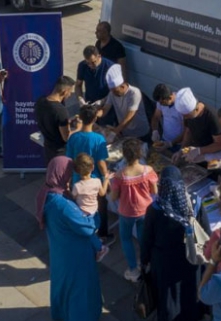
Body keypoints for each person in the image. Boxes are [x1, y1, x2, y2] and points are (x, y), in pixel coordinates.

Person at [35, 156, 108, 321]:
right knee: (80, 292)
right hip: (76, 254)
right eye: (68, 174)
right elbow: (86, 228)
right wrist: (94, 219)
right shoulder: (63, 205)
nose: (69, 178)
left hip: (60, 250)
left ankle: (61, 314)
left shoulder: (47, 192)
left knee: (62, 284)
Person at [140, 166, 210, 321]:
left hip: (165, 260)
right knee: (191, 289)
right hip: (191, 258)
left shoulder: (156, 209)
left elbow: (147, 238)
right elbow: (205, 230)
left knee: (168, 293)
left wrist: (144, 260)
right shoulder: (195, 202)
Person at [66, 105, 116, 246]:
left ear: (80, 118)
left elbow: (69, 160)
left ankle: (83, 230)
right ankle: (103, 235)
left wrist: (69, 179)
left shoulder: (73, 138)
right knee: (101, 207)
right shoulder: (98, 139)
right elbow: (101, 163)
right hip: (96, 181)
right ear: (95, 119)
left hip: (77, 180)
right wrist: (106, 177)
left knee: (80, 207)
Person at [110, 138, 158, 282]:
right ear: (140, 154)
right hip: (145, 210)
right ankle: (145, 263)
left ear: (124, 155)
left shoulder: (119, 175)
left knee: (126, 239)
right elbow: (154, 190)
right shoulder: (148, 171)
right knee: (143, 237)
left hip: (126, 212)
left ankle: (133, 269)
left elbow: (113, 197)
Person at [96, 64, 150, 141]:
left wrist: (115, 132)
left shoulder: (134, 93)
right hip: (126, 131)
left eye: (115, 91)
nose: (113, 93)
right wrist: (96, 113)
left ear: (123, 86)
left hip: (140, 132)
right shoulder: (112, 93)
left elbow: (130, 116)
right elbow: (105, 109)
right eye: (112, 91)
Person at [172, 87, 221, 164]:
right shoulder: (188, 115)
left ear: (196, 109)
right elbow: (188, 132)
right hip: (195, 155)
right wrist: (182, 150)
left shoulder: (212, 117)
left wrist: (199, 151)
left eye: (186, 116)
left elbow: (219, 144)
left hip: (211, 159)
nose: (185, 118)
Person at [35, 76, 79, 164]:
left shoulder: (40, 101)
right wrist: (79, 128)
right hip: (60, 153)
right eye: (70, 92)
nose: (70, 95)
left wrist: (67, 121)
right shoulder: (60, 110)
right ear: (64, 91)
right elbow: (66, 137)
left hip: (48, 148)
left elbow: (51, 121)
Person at [71, 153, 112, 233]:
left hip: (82, 215)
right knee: (95, 230)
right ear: (92, 167)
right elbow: (102, 193)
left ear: (77, 170)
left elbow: (73, 198)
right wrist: (106, 180)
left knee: (87, 232)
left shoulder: (77, 186)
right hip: (94, 213)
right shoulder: (97, 181)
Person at [150, 84, 183, 151]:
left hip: (178, 143)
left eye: (162, 103)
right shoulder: (161, 101)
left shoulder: (181, 106)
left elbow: (186, 131)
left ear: (170, 97)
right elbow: (156, 117)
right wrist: (155, 131)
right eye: (159, 103)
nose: (161, 104)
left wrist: (170, 144)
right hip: (164, 139)